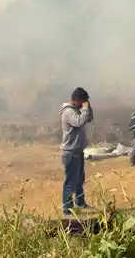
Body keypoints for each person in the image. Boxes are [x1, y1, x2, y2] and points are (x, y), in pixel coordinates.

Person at [59, 88, 93, 216]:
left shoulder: (77, 111)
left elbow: (89, 118)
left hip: (77, 151)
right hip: (70, 152)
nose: (83, 103)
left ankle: (80, 202)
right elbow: (79, 122)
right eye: (83, 101)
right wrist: (84, 108)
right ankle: (67, 210)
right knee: (70, 182)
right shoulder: (68, 112)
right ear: (76, 100)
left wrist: (87, 106)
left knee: (79, 179)